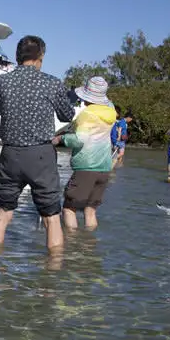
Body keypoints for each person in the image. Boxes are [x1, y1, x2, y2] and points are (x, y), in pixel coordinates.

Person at [0, 35, 75, 251]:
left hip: (11, 155)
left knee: (2, 215)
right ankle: (52, 274)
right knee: (51, 217)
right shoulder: (51, 83)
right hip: (41, 155)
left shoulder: (1, 82)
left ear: (17, 57)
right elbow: (67, 115)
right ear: (40, 57)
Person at [54, 77, 116, 230]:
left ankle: (73, 246)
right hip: (104, 167)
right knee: (90, 210)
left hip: (86, 167)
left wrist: (60, 138)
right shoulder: (111, 112)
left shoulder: (87, 115)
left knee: (69, 208)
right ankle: (89, 245)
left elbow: (79, 140)